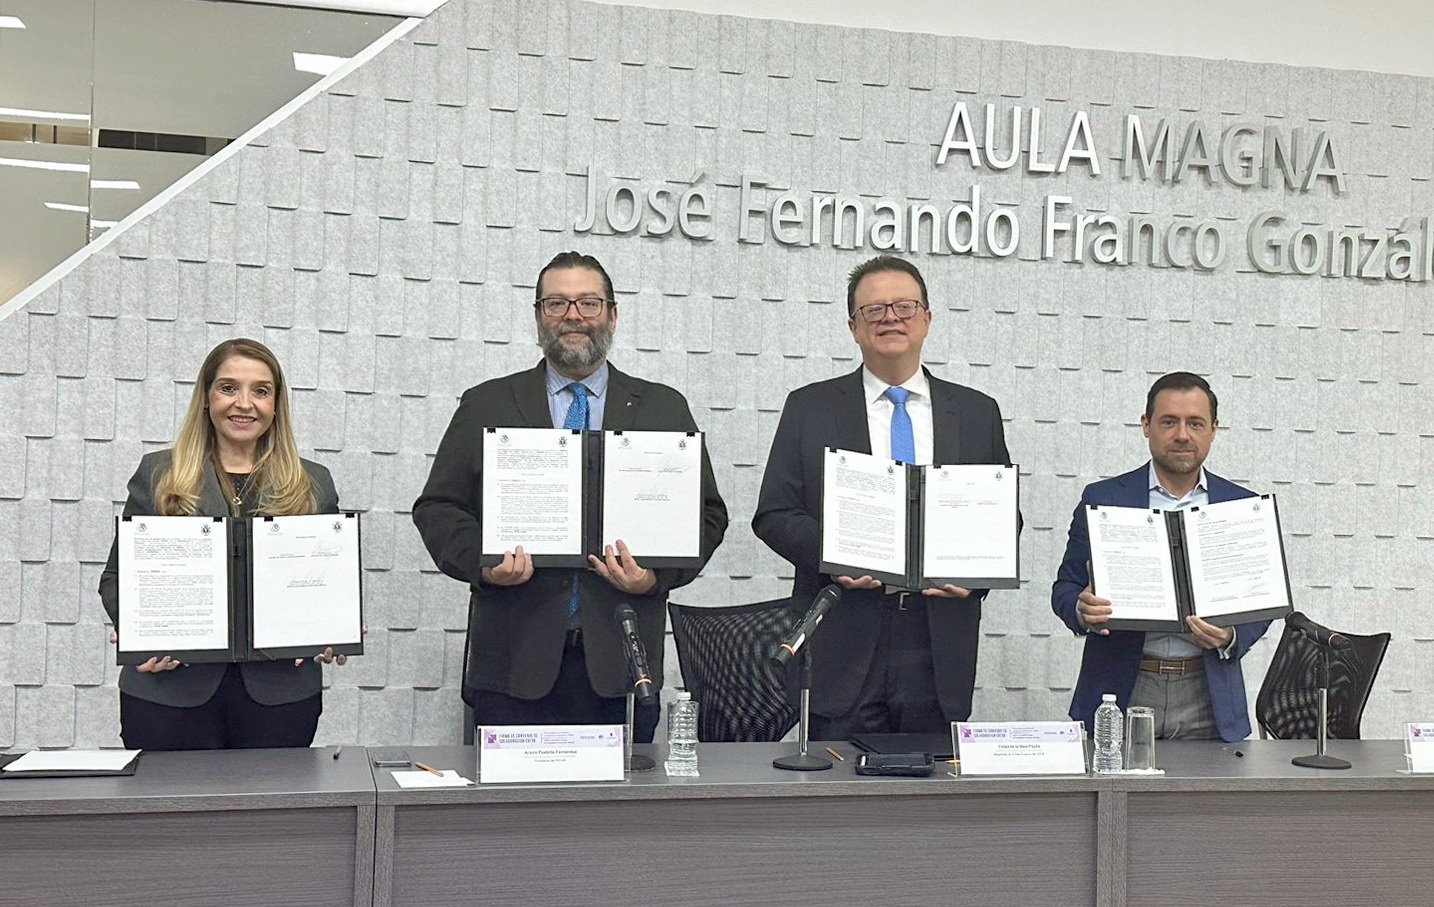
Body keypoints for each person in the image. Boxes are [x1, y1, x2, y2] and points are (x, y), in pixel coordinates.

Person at [412, 251, 728, 743]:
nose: (573, 316)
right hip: (513, 661)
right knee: (506, 817)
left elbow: (707, 515)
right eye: (557, 303)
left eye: (589, 303)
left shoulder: (664, 408)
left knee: (615, 818)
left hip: (623, 664)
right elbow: (438, 508)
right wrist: (485, 562)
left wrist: (653, 579)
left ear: (613, 314)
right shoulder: (488, 403)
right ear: (539, 315)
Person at [752, 255, 1016, 738]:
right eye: (874, 310)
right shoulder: (810, 407)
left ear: (928, 319)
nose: (890, 318)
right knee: (838, 800)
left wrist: (974, 577)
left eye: (903, 306)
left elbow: (1003, 518)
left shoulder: (977, 412)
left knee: (932, 798)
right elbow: (774, 514)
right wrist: (837, 554)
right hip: (843, 638)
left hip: (937, 641)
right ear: (853, 326)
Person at [99, 338, 348, 750]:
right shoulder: (159, 473)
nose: (244, 403)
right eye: (229, 388)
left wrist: (335, 624)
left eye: (261, 391)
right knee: (172, 813)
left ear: (276, 404)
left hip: (281, 696)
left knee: (262, 814)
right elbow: (117, 577)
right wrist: (138, 631)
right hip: (170, 692)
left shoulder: (313, 483)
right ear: (206, 397)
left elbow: (328, 581)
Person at [1052, 371, 1271, 742]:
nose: (1182, 434)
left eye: (1195, 423)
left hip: (1209, 695)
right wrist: (1080, 609)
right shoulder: (1103, 499)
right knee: (1114, 801)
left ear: (1214, 430)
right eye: (1169, 422)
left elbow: (1262, 600)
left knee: (1203, 802)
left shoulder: (1242, 507)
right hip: (1121, 688)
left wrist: (1231, 635)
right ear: (1146, 425)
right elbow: (1065, 587)